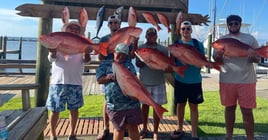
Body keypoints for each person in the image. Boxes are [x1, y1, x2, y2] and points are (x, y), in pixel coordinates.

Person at [213, 15, 260, 140]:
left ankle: (250, 137)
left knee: (247, 111)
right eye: (231, 24)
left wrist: (253, 55)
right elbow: (216, 59)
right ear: (228, 25)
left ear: (240, 24)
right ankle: (229, 135)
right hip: (227, 80)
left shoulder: (250, 39)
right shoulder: (222, 40)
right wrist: (218, 55)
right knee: (229, 108)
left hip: (247, 81)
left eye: (236, 23)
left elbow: (257, 58)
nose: (233, 25)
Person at [46, 21, 92, 140]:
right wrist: (52, 51)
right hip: (58, 82)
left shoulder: (82, 42)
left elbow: (86, 60)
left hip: (75, 82)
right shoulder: (58, 41)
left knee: (74, 110)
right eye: (71, 28)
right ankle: (53, 134)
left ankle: (72, 133)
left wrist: (87, 53)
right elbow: (51, 59)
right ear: (65, 30)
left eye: (76, 29)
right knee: (55, 110)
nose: (74, 30)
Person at [97, 14, 138, 140]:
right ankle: (106, 127)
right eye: (111, 22)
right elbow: (100, 58)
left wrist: (135, 43)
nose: (114, 24)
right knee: (108, 100)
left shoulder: (127, 36)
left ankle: (124, 127)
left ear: (120, 25)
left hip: (125, 69)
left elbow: (132, 56)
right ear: (108, 25)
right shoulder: (103, 38)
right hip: (109, 71)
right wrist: (105, 53)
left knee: (128, 96)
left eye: (116, 22)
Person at [170, 21, 205, 140]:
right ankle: (180, 128)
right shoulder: (176, 44)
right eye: (183, 29)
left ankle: (194, 133)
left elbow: (202, 60)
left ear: (191, 30)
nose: (185, 31)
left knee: (194, 107)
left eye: (188, 29)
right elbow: (172, 62)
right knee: (180, 105)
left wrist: (199, 63)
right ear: (180, 31)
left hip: (195, 81)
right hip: (180, 80)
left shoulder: (197, 44)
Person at [136, 27, 168, 140]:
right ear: (146, 36)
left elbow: (167, 65)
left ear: (156, 36)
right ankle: (144, 128)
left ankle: (155, 131)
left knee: (157, 107)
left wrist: (167, 68)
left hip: (159, 82)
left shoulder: (163, 49)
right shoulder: (141, 48)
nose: (151, 37)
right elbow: (138, 64)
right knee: (144, 107)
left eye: (153, 35)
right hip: (145, 82)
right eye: (149, 35)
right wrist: (142, 61)